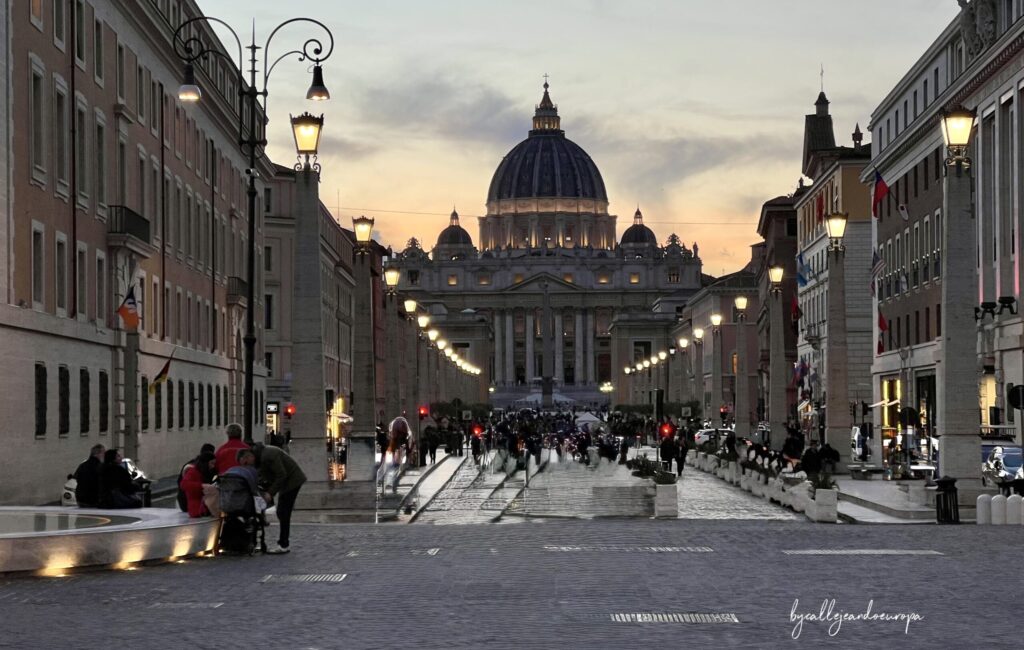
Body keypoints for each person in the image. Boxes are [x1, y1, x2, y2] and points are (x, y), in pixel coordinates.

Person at [255, 442, 307, 554]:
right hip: (290, 481)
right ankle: (283, 543)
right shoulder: (265, 454)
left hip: (292, 482)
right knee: (282, 512)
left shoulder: (268, 455)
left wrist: (270, 493)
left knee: (283, 512)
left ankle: (284, 544)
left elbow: (281, 474)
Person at [177, 443, 216, 512]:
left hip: (193, 504)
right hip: (191, 506)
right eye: (212, 463)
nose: (213, 466)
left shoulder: (192, 465)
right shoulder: (193, 469)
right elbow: (183, 484)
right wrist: (202, 486)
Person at [376, 417, 410, 494]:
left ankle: (390, 484)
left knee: (393, 469)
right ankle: (386, 483)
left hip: (396, 455)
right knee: (388, 469)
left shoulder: (401, 436)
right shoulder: (390, 437)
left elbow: (405, 445)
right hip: (392, 455)